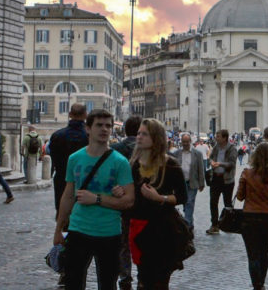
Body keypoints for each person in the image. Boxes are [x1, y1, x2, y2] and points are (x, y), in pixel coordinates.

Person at [52, 109, 135, 290]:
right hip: (78, 230)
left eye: (108, 126)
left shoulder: (120, 162)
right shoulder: (75, 159)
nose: (104, 129)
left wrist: (97, 199)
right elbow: (67, 195)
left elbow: (129, 200)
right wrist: (58, 229)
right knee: (73, 283)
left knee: (107, 284)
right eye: (99, 125)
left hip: (109, 232)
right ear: (88, 129)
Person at [123, 118, 188, 289]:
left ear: (156, 137)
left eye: (144, 134)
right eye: (138, 133)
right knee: (143, 278)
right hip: (138, 227)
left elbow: (182, 197)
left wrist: (160, 198)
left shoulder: (170, 164)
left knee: (159, 281)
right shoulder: (133, 165)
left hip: (162, 230)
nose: (139, 137)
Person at [236, 142, 268, 290]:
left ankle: (257, 285)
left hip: (249, 217)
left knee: (253, 254)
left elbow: (240, 197)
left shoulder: (247, 174)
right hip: (267, 216)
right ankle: (261, 282)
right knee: (264, 253)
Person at [111, 115, 142, 290]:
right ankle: (143, 275)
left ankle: (125, 277)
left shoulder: (116, 149)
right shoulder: (147, 149)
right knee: (142, 241)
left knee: (123, 244)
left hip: (121, 203)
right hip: (143, 204)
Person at [49, 104, 89, 214]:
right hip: (85, 180)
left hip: (62, 177)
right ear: (85, 115)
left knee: (62, 211)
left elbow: (53, 157)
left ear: (70, 114)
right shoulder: (89, 136)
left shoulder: (57, 135)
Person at [206, 129, 237, 234]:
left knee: (227, 203)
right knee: (213, 202)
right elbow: (210, 158)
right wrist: (211, 162)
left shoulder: (232, 149)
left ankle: (228, 224)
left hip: (227, 179)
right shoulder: (216, 147)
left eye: (218, 136)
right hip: (216, 178)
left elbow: (232, 163)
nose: (216, 138)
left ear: (224, 138)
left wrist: (220, 164)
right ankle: (214, 225)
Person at [173, 133, 205, 228]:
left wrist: (201, 183)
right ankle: (190, 222)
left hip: (192, 182)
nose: (185, 143)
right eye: (184, 142)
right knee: (184, 203)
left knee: (189, 202)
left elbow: (201, 169)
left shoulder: (197, 154)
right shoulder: (176, 154)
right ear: (181, 142)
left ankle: (186, 225)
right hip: (180, 184)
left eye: (187, 142)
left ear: (190, 142)